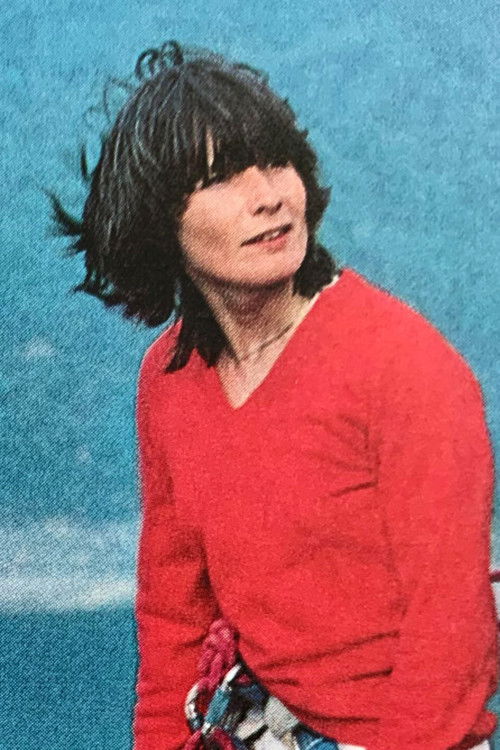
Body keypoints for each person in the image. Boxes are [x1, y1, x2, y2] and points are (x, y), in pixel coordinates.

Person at [49, 41, 498, 750]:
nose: (268, 196)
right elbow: (174, 619)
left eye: (277, 162)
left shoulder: (403, 367)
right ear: (158, 221)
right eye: (222, 178)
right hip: (264, 723)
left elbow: (451, 634)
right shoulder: (167, 377)